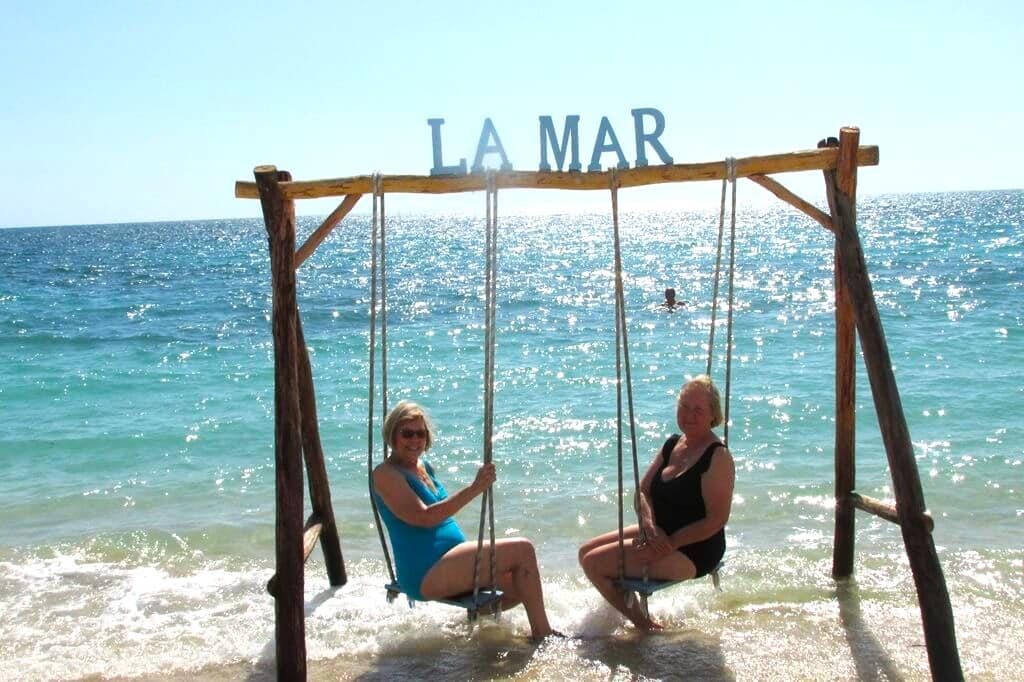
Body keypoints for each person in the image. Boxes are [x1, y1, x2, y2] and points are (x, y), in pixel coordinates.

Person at [372, 400, 558, 641]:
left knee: (522, 585)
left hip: (448, 562)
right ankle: (543, 636)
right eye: (407, 433)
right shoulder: (386, 474)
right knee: (523, 550)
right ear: (392, 435)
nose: (414, 440)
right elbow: (423, 518)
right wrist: (475, 488)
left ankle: (474, 623)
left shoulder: (423, 466)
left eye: (420, 433)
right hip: (424, 571)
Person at [578, 375, 735, 630]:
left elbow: (716, 520)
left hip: (694, 548)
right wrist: (650, 527)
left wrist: (669, 543)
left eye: (698, 410)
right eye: (684, 407)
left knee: (594, 563)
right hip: (659, 532)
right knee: (585, 551)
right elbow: (642, 491)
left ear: (712, 415)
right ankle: (626, 608)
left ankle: (644, 625)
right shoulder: (673, 444)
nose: (689, 415)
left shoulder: (718, 456)